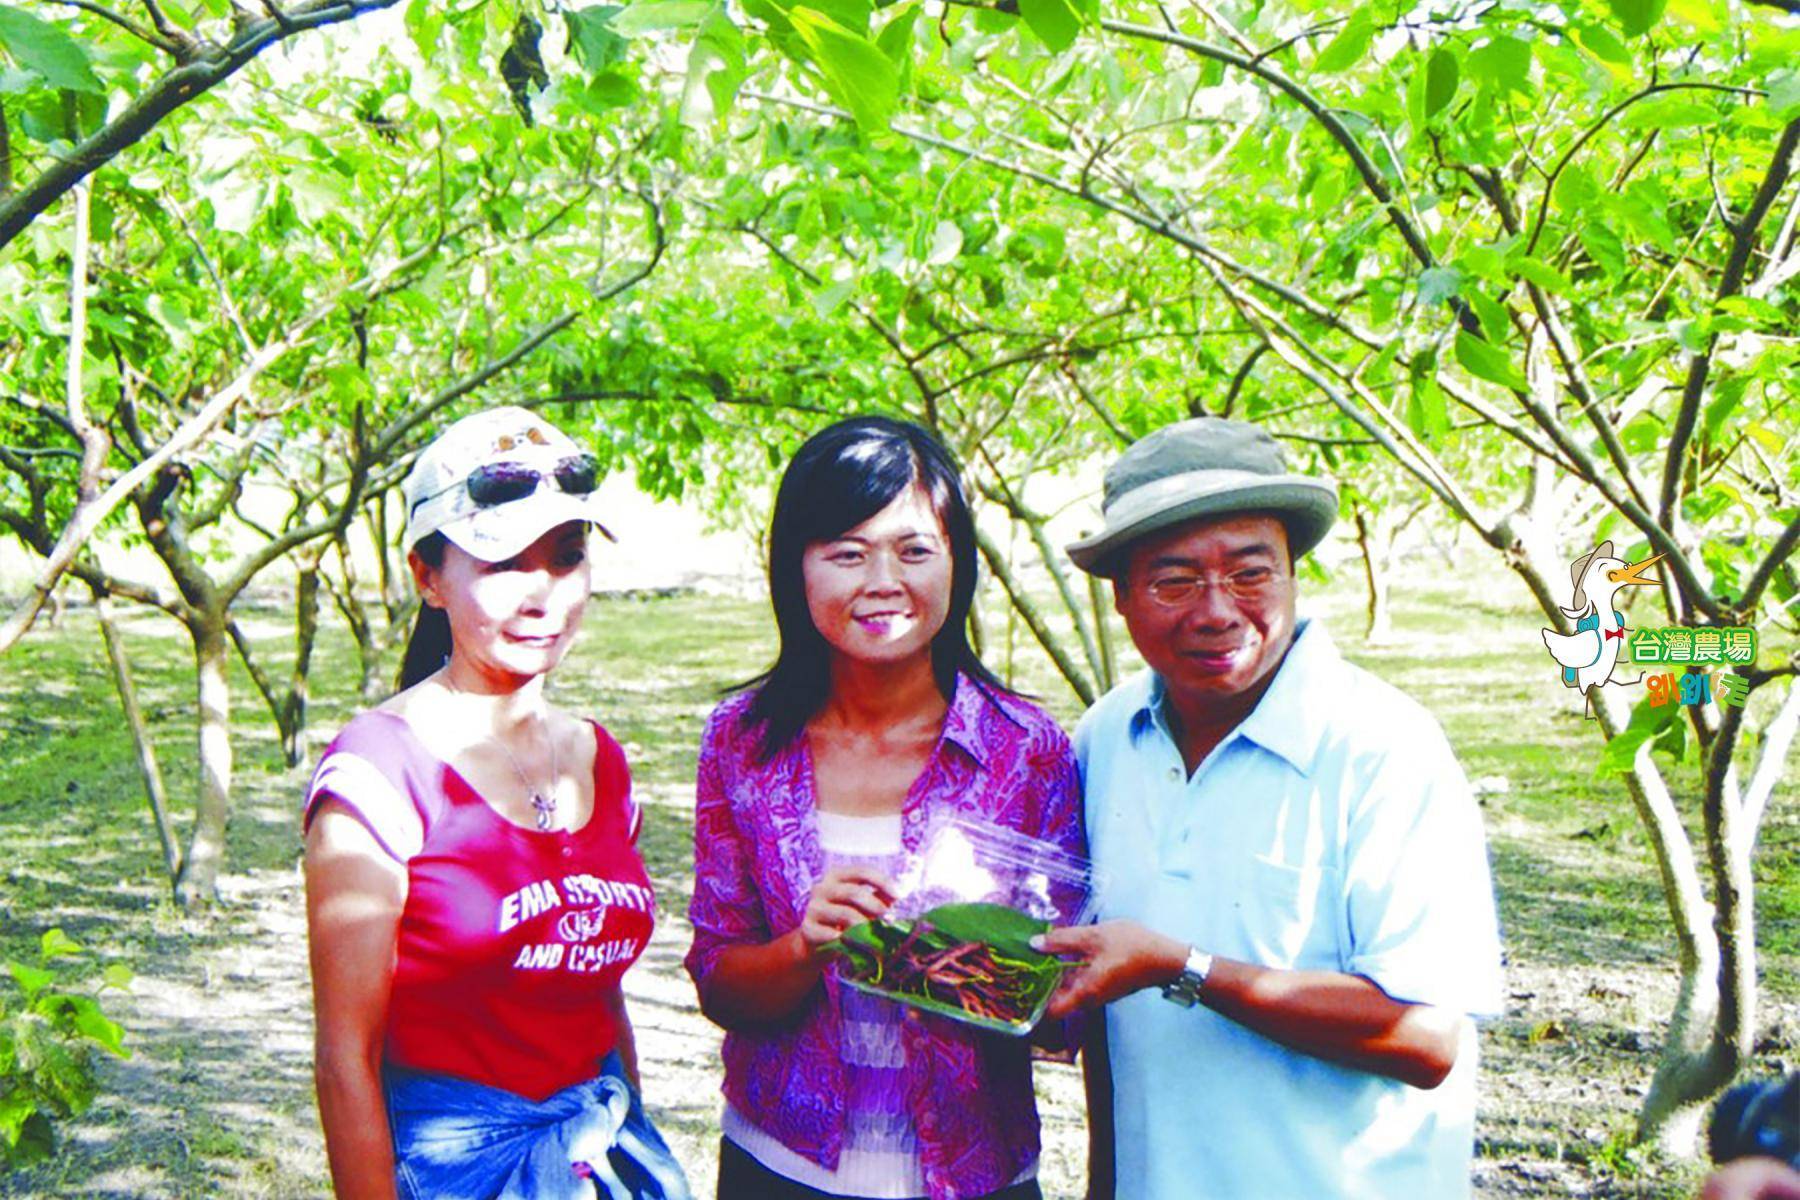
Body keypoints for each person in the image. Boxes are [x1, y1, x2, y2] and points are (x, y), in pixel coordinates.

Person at [1036, 417, 1505, 1199]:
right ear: (1121, 596)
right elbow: (1117, 1015)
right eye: (1175, 580)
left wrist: (1183, 968)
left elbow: (1425, 1035)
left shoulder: (1380, 748)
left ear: (1292, 573)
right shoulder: (1109, 736)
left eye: (1251, 574)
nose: (1217, 610)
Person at [684, 416, 1085, 1200]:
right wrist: (807, 946)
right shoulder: (742, 743)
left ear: (956, 564)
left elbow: (1063, 1016)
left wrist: (974, 961)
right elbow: (719, 985)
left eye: (913, 550)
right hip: (781, 1168)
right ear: (795, 571)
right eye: (845, 553)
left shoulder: (1027, 749)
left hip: (976, 1174)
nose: (882, 581)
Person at [303, 407, 691, 1200]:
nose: (542, 594)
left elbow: (600, 996)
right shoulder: (383, 772)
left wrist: (628, 1138)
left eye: (567, 556)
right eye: (503, 562)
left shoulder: (600, 763)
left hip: (591, 1155)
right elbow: (346, 1057)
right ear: (428, 577)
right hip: (455, 1172)